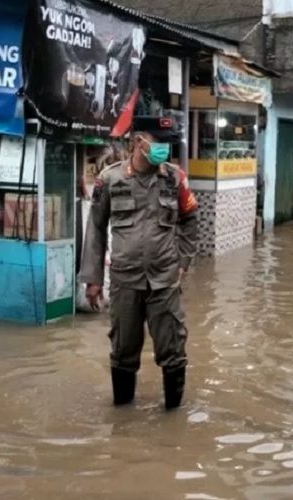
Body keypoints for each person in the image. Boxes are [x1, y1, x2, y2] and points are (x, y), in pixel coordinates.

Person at [78, 116, 199, 410]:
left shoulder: (175, 178)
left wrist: (182, 263)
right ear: (138, 141)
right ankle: (122, 423)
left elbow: (190, 220)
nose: (164, 150)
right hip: (125, 282)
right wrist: (93, 280)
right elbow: (95, 228)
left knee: (173, 349)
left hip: (164, 281)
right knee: (122, 351)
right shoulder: (109, 179)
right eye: (159, 142)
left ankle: (172, 424)